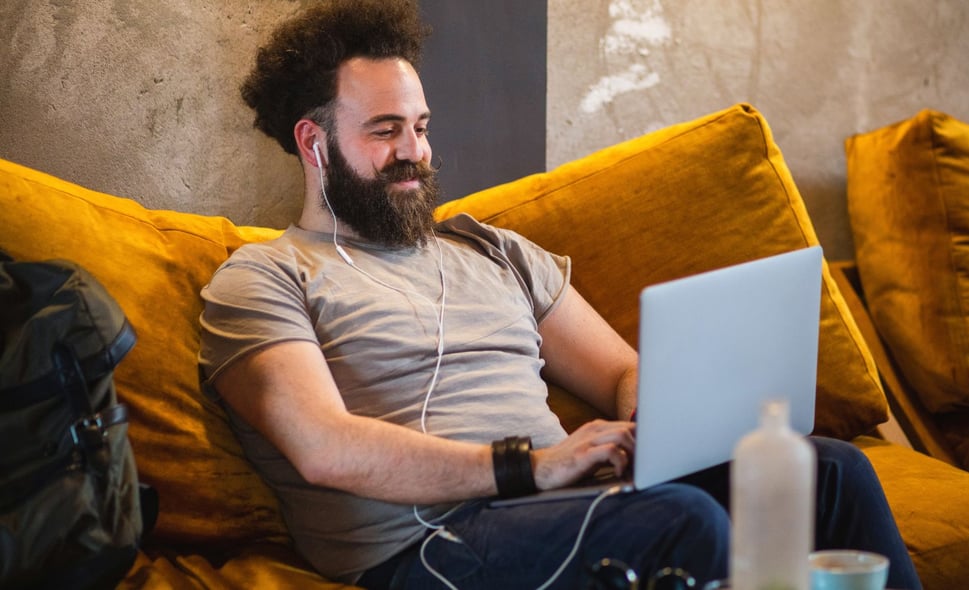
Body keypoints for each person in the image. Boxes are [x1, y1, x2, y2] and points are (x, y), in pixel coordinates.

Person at [198, 1, 922, 588]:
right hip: (426, 545)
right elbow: (323, 448)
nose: (415, 150)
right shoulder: (264, 278)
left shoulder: (492, 249)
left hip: (565, 506)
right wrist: (534, 465)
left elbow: (617, 371)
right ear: (314, 143)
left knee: (831, 473)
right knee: (683, 521)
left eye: (419, 127)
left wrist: (652, 421)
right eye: (385, 131)